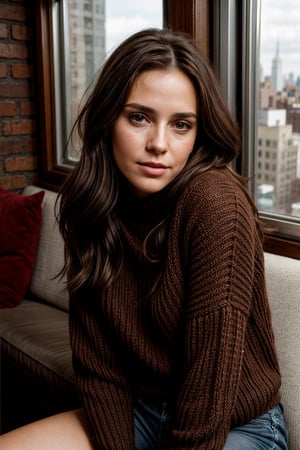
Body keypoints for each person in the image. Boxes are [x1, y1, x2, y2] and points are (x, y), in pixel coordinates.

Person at [0, 28, 288, 450]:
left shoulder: (215, 203)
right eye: (139, 117)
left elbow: (209, 386)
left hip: (234, 425)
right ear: (108, 119)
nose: (158, 144)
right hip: (140, 412)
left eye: (181, 125)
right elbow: (100, 369)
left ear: (198, 134)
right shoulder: (89, 209)